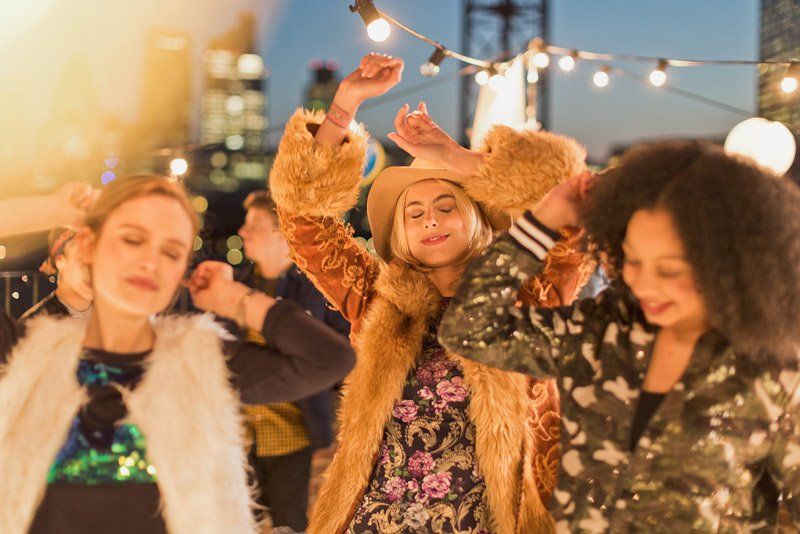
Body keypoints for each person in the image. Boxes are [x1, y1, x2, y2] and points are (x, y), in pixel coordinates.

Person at [269, 53, 594, 533]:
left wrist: (458, 160)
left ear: (475, 217)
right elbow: (305, 220)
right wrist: (346, 102)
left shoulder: (528, 291)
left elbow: (576, 203)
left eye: (447, 205)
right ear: (400, 232)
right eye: (414, 213)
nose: (431, 220)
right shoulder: (376, 297)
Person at [438, 140, 800, 531]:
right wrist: (543, 220)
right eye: (634, 260)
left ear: (728, 264)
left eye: (670, 270)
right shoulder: (600, 330)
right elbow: (468, 329)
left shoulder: (775, 372)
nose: (643, 284)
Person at [0, 175, 355, 534]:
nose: (149, 260)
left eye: (170, 252)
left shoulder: (197, 362)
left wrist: (236, 299)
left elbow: (329, 358)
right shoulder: (27, 351)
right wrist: (49, 209)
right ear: (89, 247)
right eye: (133, 239)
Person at [237, 189, 350, 532]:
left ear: (281, 232)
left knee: (292, 523)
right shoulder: (236, 287)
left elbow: (345, 361)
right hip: (242, 437)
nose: (243, 231)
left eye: (254, 223)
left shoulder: (318, 293)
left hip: (298, 440)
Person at [20, 226, 93, 321]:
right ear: (60, 262)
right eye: (82, 260)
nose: (92, 270)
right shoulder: (34, 324)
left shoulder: (110, 315)